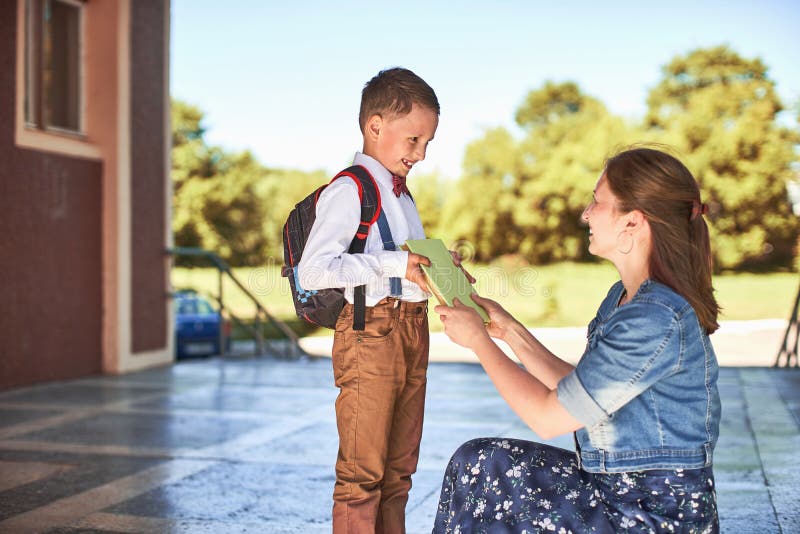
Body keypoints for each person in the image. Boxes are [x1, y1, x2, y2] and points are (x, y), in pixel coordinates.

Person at [432, 147, 721, 533]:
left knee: (486, 468)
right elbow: (580, 391)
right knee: (479, 461)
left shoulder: (655, 318)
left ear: (632, 223)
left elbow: (549, 417)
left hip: (652, 515)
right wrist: (509, 332)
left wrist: (479, 344)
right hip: (615, 493)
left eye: (597, 202)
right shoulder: (623, 297)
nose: (586, 213)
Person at [298, 67, 439, 533]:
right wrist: (395, 265)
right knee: (364, 476)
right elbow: (315, 270)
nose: (420, 154)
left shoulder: (403, 196)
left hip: (412, 328)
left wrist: (436, 268)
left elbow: (403, 267)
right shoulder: (350, 188)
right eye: (414, 140)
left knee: (398, 474)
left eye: (427, 145)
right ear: (375, 126)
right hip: (370, 333)